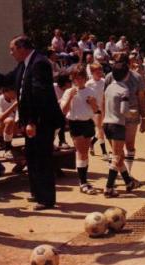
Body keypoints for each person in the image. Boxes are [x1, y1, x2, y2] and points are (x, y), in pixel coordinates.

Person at [0, 35, 65, 210]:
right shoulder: (24, 64)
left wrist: (32, 121)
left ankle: (46, 199)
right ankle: (37, 193)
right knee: (32, 156)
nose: (10, 52)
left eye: (12, 49)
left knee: (42, 158)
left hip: (41, 120)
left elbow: (40, 95)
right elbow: (8, 80)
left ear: (22, 48)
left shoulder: (40, 63)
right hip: (30, 120)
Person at [104, 53, 145, 183]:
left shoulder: (137, 77)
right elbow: (104, 98)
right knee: (116, 149)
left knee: (129, 145)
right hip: (114, 117)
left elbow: (141, 98)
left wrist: (144, 118)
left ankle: (127, 174)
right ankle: (121, 178)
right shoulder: (109, 77)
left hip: (131, 116)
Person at [103, 62, 141, 197]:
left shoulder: (108, 88)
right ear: (126, 75)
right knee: (117, 156)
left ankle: (128, 182)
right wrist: (132, 112)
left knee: (118, 156)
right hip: (117, 124)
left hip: (106, 123)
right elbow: (123, 110)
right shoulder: (124, 89)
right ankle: (108, 187)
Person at [61, 64, 98, 195]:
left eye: (81, 77)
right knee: (81, 152)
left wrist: (93, 104)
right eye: (76, 78)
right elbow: (63, 111)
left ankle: (83, 180)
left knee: (85, 153)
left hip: (88, 122)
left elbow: (96, 110)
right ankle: (83, 182)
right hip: (75, 123)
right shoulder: (68, 92)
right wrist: (70, 96)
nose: (79, 80)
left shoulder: (90, 91)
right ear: (73, 79)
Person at [86, 63, 108, 159]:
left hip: (105, 109)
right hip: (95, 110)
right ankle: (104, 152)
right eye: (96, 71)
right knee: (100, 128)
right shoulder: (89, 84)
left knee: (102, 129)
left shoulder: (105, 81)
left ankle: (91, 142)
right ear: (92, 72)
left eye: (100, 70)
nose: (99, 72)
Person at [0, 85, 18, 159]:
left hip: (11, 127)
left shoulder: (14, 99)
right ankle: (7, 149)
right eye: (14, 91)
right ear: (6, 92)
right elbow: (0, 118)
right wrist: (14, 106)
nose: (15, 93)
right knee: (9, 120)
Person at [53, 71, 72, 149]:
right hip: (52, 111)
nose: (71, 83)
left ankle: (62, 141)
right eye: (69, 81)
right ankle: (58, 141)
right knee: (60, 118)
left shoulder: (70, 89)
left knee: (62, 118)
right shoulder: (53, 87)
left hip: (63, 112)